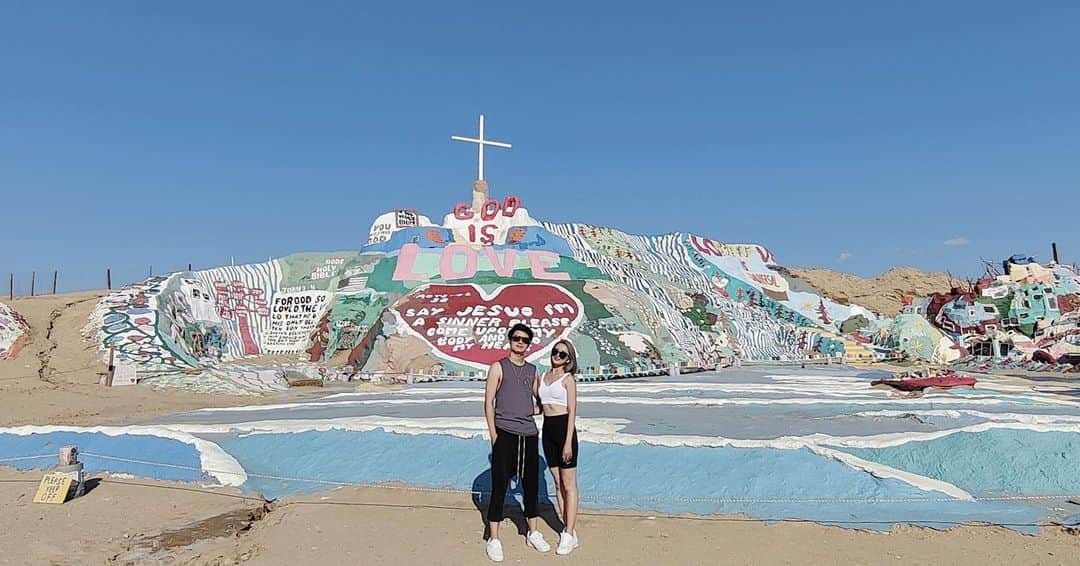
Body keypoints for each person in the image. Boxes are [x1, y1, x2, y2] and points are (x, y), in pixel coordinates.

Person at [484, 323, 550, 562]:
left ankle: (532, 531)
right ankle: (494, 537)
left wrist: (536, 408)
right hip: (505, 433)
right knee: (500, 486)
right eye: (516, 338)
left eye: (524, 339)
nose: (520, 342)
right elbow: (488, 402)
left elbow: (541, 399)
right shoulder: (498, 367)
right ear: (510, 340)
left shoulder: (533, 371)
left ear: (529, 344)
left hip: (529, 435)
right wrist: (494, 436)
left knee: (531, 486)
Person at [537, 339, 581, 555]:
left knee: (569, 484)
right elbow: (538, 407)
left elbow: (572, 411)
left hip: (564, 429)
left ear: (569, 359)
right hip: (547, 429)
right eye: (555, 352)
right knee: (557, 484)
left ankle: (568, 533)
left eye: (563, 354)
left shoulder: (568, 379)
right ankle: (568, 528)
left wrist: (567, 442)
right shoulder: (542, 377)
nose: (557, 355)